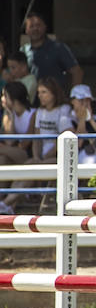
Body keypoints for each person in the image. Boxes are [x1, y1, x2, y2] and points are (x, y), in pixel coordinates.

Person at [0, 81, 36, 214]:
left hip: (27, 154)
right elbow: (9, 141)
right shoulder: (9, 114)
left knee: (3, 151)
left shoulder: (33, 114)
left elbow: (26, 143)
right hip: (14, 152)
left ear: (12, 98)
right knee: (2, 159)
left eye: (4, 95)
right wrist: (9, 116)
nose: (2, 99)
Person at [22, 12, 82, 90]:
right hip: (31, 100)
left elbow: (77, 72)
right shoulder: (23, 51)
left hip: (57, 100)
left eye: (38, 25)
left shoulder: (59, 48)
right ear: (26, 30)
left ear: (45, 27)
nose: (35, 29)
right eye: (31, 26)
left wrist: (75, 96)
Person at [31, 77, 76, 163]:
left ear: (53, 93)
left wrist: (48, 155)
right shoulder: (39, 112)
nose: (40, 96)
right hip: (42, 156)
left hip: (58, 156)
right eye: (39, 92)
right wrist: (36, 157)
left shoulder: (64, 109)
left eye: (44, 92)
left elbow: (67, 135)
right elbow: (37, 138)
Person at [69, 83, 96, 164]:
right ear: (73, 101)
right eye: (81, 100)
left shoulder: (95, 118)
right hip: (78, 158)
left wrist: (91, 119)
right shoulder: (68, 119)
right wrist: (82, 119)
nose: (85, 104)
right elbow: (76, 145)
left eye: (87, 100)